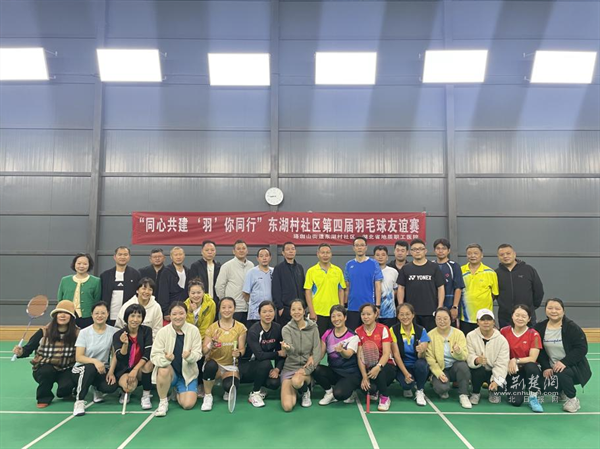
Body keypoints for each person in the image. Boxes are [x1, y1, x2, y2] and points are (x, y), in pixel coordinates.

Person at [12, 300, 79, 408]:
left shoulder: (77, 333)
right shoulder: (43, 332)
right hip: (45, 368)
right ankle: (44, 397)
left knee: (65, 388)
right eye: (59, 312)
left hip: (66, 368)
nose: (62, 315)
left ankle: (66, 391)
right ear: (55, 315)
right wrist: (20, 352)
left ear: (71, 317)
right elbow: (28, 349)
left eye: (66, 313)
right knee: (46, 371)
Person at [536, 298, 592, 413]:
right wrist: (546, 367)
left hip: (572, 367)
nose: (553, 311)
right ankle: (560, 389)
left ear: (563, 311)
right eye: (550, 308)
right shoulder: (539, 327)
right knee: (537, 378)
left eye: (557, 308)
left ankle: (572, 399)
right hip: (551, 367)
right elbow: (539, 350)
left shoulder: (572, 327)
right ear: (545, 310)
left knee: (561, 371)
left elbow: (581, 348)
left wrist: (564, 362)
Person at [151, 301, 203, 417]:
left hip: (187, 375)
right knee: (163, 369)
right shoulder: (162, 332)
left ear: (186, 314)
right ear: (169, 316)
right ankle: (163, 402)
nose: (178, 317)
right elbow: (154, 356)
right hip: (170, 374)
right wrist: (165, 359)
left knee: (188, 405)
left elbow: (198, 354)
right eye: (174, 314)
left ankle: (176, 391)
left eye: (181, 313)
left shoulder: (194, 330)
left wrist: (189, 356)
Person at [71, 301, 119, 416]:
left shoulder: (114, 332)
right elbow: (79, 357)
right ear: (92, 315)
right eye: (96, 313)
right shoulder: (84, 332)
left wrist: (111, 372)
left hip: (101, 369)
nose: (99, 316)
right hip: (81, 369)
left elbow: (114, 355)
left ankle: (96, 388)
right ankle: (79, 401)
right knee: (90, 368)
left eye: (103, 313)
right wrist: (95, 361)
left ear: (107, 314)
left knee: (110, 387)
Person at [201, 297, 247, 411]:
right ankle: (208, 396)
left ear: (234, 309)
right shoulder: (212, 328)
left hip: (230, 366)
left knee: (229, 386)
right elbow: (204, 351)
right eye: (224, 307)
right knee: (210, 366)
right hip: (215, 366)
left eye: (230, 307)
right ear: (219, 309)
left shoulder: (240, 327)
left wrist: (238, 353)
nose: (227, 310)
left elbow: (242, 349)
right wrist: (211, 344)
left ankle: (225, 386)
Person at [500, 304, 544, 412]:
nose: (520, 318)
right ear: (512, 316)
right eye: (517, 315)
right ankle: (518, 387)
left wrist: (515, 360)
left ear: (529, 319)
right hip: (512, 370)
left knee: (532, 366)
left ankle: (533, 397)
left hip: (527, 367)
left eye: (524, 316)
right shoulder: (503, 331)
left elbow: (532, 358)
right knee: (516, 402)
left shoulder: (534, 334)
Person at [314, 305, 361, 406]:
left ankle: (351, 391)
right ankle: (329, 393)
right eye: (333, 316)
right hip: (334, 371)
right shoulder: (327, 333)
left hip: (350, 373)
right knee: (315, 369)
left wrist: (342, 351)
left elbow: (348, 355)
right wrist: (311, 362)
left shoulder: (353, 336)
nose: (336, 319)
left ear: (345, 317)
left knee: (339, 394)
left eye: (339, 315)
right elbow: (321, 354)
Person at [425, 307, 472, 409]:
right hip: (441, 368)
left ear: (451, 319)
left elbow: (464, 356)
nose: (442, 321)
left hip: (455, 367)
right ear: (435, 320)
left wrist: (458, 351)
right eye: (439, 319)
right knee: (441, 389)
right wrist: (438, 373)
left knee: (463, 366)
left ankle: (463, 395)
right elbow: (430, 359)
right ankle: (438, 384)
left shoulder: (459, 334)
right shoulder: (430, 335)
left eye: (445, 318)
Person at [110, 304, 154, 410]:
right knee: (128, 386)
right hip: (125, 369)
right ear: (127, 317)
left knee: (149, 364)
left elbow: (147, 353)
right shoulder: (118, 335)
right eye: (132, 316)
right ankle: (125, 391)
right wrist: (125, 344)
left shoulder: (147, 331)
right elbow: (120, 357)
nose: (135, 319)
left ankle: (146, 395)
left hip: (140, 369)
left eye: (139, 316)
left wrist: (135, 370)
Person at [280, 299, 321, 412]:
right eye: (293, 309)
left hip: (305, 368)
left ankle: (305, 391)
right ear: (290, 312)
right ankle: (298, 390)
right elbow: (290, 350)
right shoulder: (286, 329)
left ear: (304, 311)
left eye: (299, 309)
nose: (296, 312)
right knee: (287, 407)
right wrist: (287, 348)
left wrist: (307, 370)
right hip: (289, 368)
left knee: (297, 381)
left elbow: (317, 351)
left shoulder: (313, 328)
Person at [242, 301, 284, 407]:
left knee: (274, 383)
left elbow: (283, 353)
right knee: (265, 363)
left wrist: (277, 369)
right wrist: (278, 353)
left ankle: (261, 388)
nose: (268, 314)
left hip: (264, 365)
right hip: (247, 366)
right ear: (259, 313)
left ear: (274, 312)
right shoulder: (254, 331)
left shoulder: (278, 328)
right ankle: (254, 393)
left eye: (270, 311)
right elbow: (260, 355)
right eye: (264, 312)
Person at [397, 239, 445, 331]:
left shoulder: (434, 267)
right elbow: (401, 288)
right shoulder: (406, 268)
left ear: (425, 251)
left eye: (420, 249)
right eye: (414, 249)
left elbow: (440, 287)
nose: (417, 251)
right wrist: (401, 306)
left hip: (430, 311)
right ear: (411, 252)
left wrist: (440, 306)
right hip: (411, 312)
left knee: (429, 336)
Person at [355, 304, 396, 411]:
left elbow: (386, 353)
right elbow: (359, 356)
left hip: (386, 366)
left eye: (369, 314)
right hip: (368, 367)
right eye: (363, 314)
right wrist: (364, 376)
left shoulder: (383, 329)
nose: (365, 317)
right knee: (366, 389)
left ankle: (385, 397)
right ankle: (375, 389)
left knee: (379, 372)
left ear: (375, 315)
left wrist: (378, 367)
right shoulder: (358, 331)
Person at [466, 308, 509, 405]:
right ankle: (475, 392)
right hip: (478, 369)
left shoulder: (502, 340)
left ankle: (493, 391)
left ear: (493, 322)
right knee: (478, 371)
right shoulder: (470, 336)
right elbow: (469, 355)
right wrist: (476, 360)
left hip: (494, 370)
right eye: (482, 319)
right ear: (477, 322)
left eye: (489, 319)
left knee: (501, 383)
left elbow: (502, 364)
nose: (486, 322)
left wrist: (496, 381)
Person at [390, 303, 430, 406]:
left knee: (422, 364)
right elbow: (396, 355)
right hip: (402, 366)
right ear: (398, 316)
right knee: (407, 385)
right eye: (402, 314)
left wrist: (421, 350)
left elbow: (422, 356)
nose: (405, 317)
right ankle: (408, 385)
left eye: (408, 314)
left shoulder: (421, 330)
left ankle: (420, 390)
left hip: (416, 364)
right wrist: (406, 374)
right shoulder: (393, 330)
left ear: (413, 315)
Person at [496, 244, 544, 328]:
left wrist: (531, 308)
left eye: (508, 253)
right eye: (502, 254)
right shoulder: (496, 273)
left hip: (527, 316)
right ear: (498, 257)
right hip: (505, 318)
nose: (505, 256)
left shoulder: (528, 270)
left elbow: (538, 291)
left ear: (514, 254)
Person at [184, 278, 216, 398]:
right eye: (193, 293)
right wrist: (190, 312)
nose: (196, 295)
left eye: (199, 292)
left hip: (204, 336)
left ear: (203, 292)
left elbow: (206, 326)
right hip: (189, 336)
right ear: (189, 293)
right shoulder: (185, 305)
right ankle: (187, 384)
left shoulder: (210, 304)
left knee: (202, 353)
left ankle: (201, 384)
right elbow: (186, 326)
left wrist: (199, 343)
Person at [304, 243, 346, 334]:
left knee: (335, 337)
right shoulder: (311, 271)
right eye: (323, 253)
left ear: (331, 254)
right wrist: (312, 311)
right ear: (318, 254)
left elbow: (341, 290)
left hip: (335, 313)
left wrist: (342, 308)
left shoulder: (338, 270)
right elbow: (308, 292)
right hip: (318, 312)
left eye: (328, 252)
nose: (325, 255)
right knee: (319, 338)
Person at [344, 237, 383, 332]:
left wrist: (377, 306)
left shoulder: (374, 264)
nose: (359, 247)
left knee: (369, 334)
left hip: (369, 307)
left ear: (366, 247)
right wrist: (345, 305)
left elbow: (378, 286)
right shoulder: (349, 264)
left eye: (362, 245)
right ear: (353, 248)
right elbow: (347, 287)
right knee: (353, 335)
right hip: (352, 307)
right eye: (357, 245)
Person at [460, 244, 499, 335]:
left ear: (481, 255)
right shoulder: (460, 271)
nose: (472, 256)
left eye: (475, 253)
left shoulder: (490, 272)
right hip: (465, 317)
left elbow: (494, 294)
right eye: (469, 253)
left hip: (484, 317)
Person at [215, 240, 254, 326]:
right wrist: (226, 302)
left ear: (247, 251)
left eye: (243, 248)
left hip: (248, 309)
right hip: (234, 309)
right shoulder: (227, 266)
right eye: (238, 249)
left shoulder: (251, 265)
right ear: (233, 251)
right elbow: (219, 286)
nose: (241, 250)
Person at [57, 253, 101, 328]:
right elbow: (60, 299)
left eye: (85, 264)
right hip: (68, 316)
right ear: (74, 264)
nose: (81, 266)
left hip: (87, 318)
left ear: (89, 265)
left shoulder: (96, 281)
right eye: (79, 263)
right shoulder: (65, 280)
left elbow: (97, 300)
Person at [100, 246, 141, 326]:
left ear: (129, 257)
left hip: (129, 318)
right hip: (109, 317)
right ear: (115, 257)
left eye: (125, 255)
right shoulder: (105, 275)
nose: (122, 257)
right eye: (120, 254)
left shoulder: (135, 274)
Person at [433, 238, 465, 327]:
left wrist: (455, 307)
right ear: (434, 250)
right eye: (438, 248)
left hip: (449, 305)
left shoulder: (454, 266)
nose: (441, 251)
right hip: (433, 305)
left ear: (448, 251)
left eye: (443, 248)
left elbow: (458, 288)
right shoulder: (430, 265)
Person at [272, 241, 305, 327]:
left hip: (299, 308)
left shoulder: (299, 268)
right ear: (283, 253)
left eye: (293, 249)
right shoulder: (279, 268)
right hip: (285, 309)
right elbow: (276, 289)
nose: (291, 251)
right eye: (288, 249)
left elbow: (303, 287)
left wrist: (304, 305)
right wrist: (280, 307)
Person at [243, 247, 274, 330]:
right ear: (257, 258)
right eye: (261, 256)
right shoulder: (251, 272)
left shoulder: (274, 271)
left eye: (266, 256)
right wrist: (252, 303)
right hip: (255, 314)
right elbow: (245, 293)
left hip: (270, 314)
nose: (264, 258)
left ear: (270, 257)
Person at [157, 247, 191, 321]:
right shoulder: (166, 272)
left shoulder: (188, 271)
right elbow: (163, 293)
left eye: (180, 254)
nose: (178, 257)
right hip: (171, 310)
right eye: (176, 255)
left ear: (184, 255)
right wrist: (166, 312)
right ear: (171, 257)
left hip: (186, 310)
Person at [190, 241, 221, 309]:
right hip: (199, 301)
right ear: (202, 252)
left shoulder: (218, 266)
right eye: (207, 250)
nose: (210, 252)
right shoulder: (196, 266)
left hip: (215, 302)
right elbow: (191, 285)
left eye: (212, 250)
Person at [373, 245, 398, 328]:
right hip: (372, 312)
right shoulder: (369, 271)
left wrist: (387, 300)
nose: (380, 257)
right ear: (374, 257)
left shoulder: (393, 272)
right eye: (377, 255)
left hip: (389, 313)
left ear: (387, 257)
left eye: (383, 255)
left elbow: (396, 290)